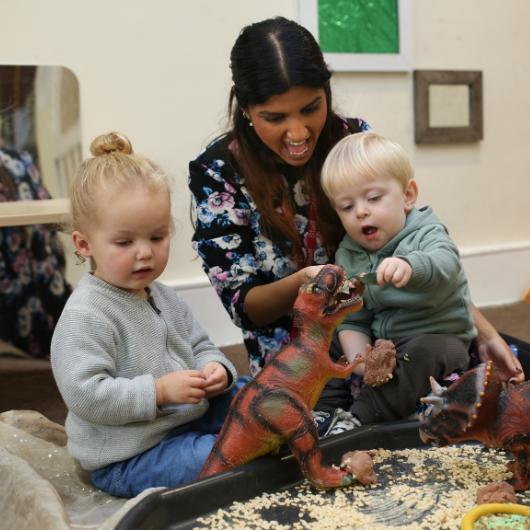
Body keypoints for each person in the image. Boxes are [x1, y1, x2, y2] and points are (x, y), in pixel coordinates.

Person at [188, 17, 523, 434]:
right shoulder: (217, 172)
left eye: (311, 108)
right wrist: (308, 285)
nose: (298, 132)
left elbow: (423, 249)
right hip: (308, 347)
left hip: (399, 328)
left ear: (326, 92)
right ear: (247, 109)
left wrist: (483, 331)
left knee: (509, 366)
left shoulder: (353, 140)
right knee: (304, 416)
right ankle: (353, 421)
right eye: (275, 117)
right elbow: (245, 306)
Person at [51, 132, 244, 498]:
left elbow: (201, 345)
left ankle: (292, 428)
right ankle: (248, 446)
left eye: (156, 237)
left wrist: (217, 369)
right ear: (83, 244)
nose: (145, 253)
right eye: (125, 243)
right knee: (217, 455)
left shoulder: (164, 296)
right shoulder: (86, 315)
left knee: (254, 392)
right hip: (131, 455)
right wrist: (157, 391)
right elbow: (86, 395)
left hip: (185, 418)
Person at [320, 131, 477, 424]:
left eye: (373, 198)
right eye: (347, 207)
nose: (361, 212)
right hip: (385, 340)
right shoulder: (348, 255)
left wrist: (411, 265)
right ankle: (324, 413)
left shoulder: (426, 231)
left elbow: (446, 264)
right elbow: (354, 316)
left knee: (419, 355)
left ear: (407, 196)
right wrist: (359, 360)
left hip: (441, 337)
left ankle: (361, 419)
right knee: (328, 337)